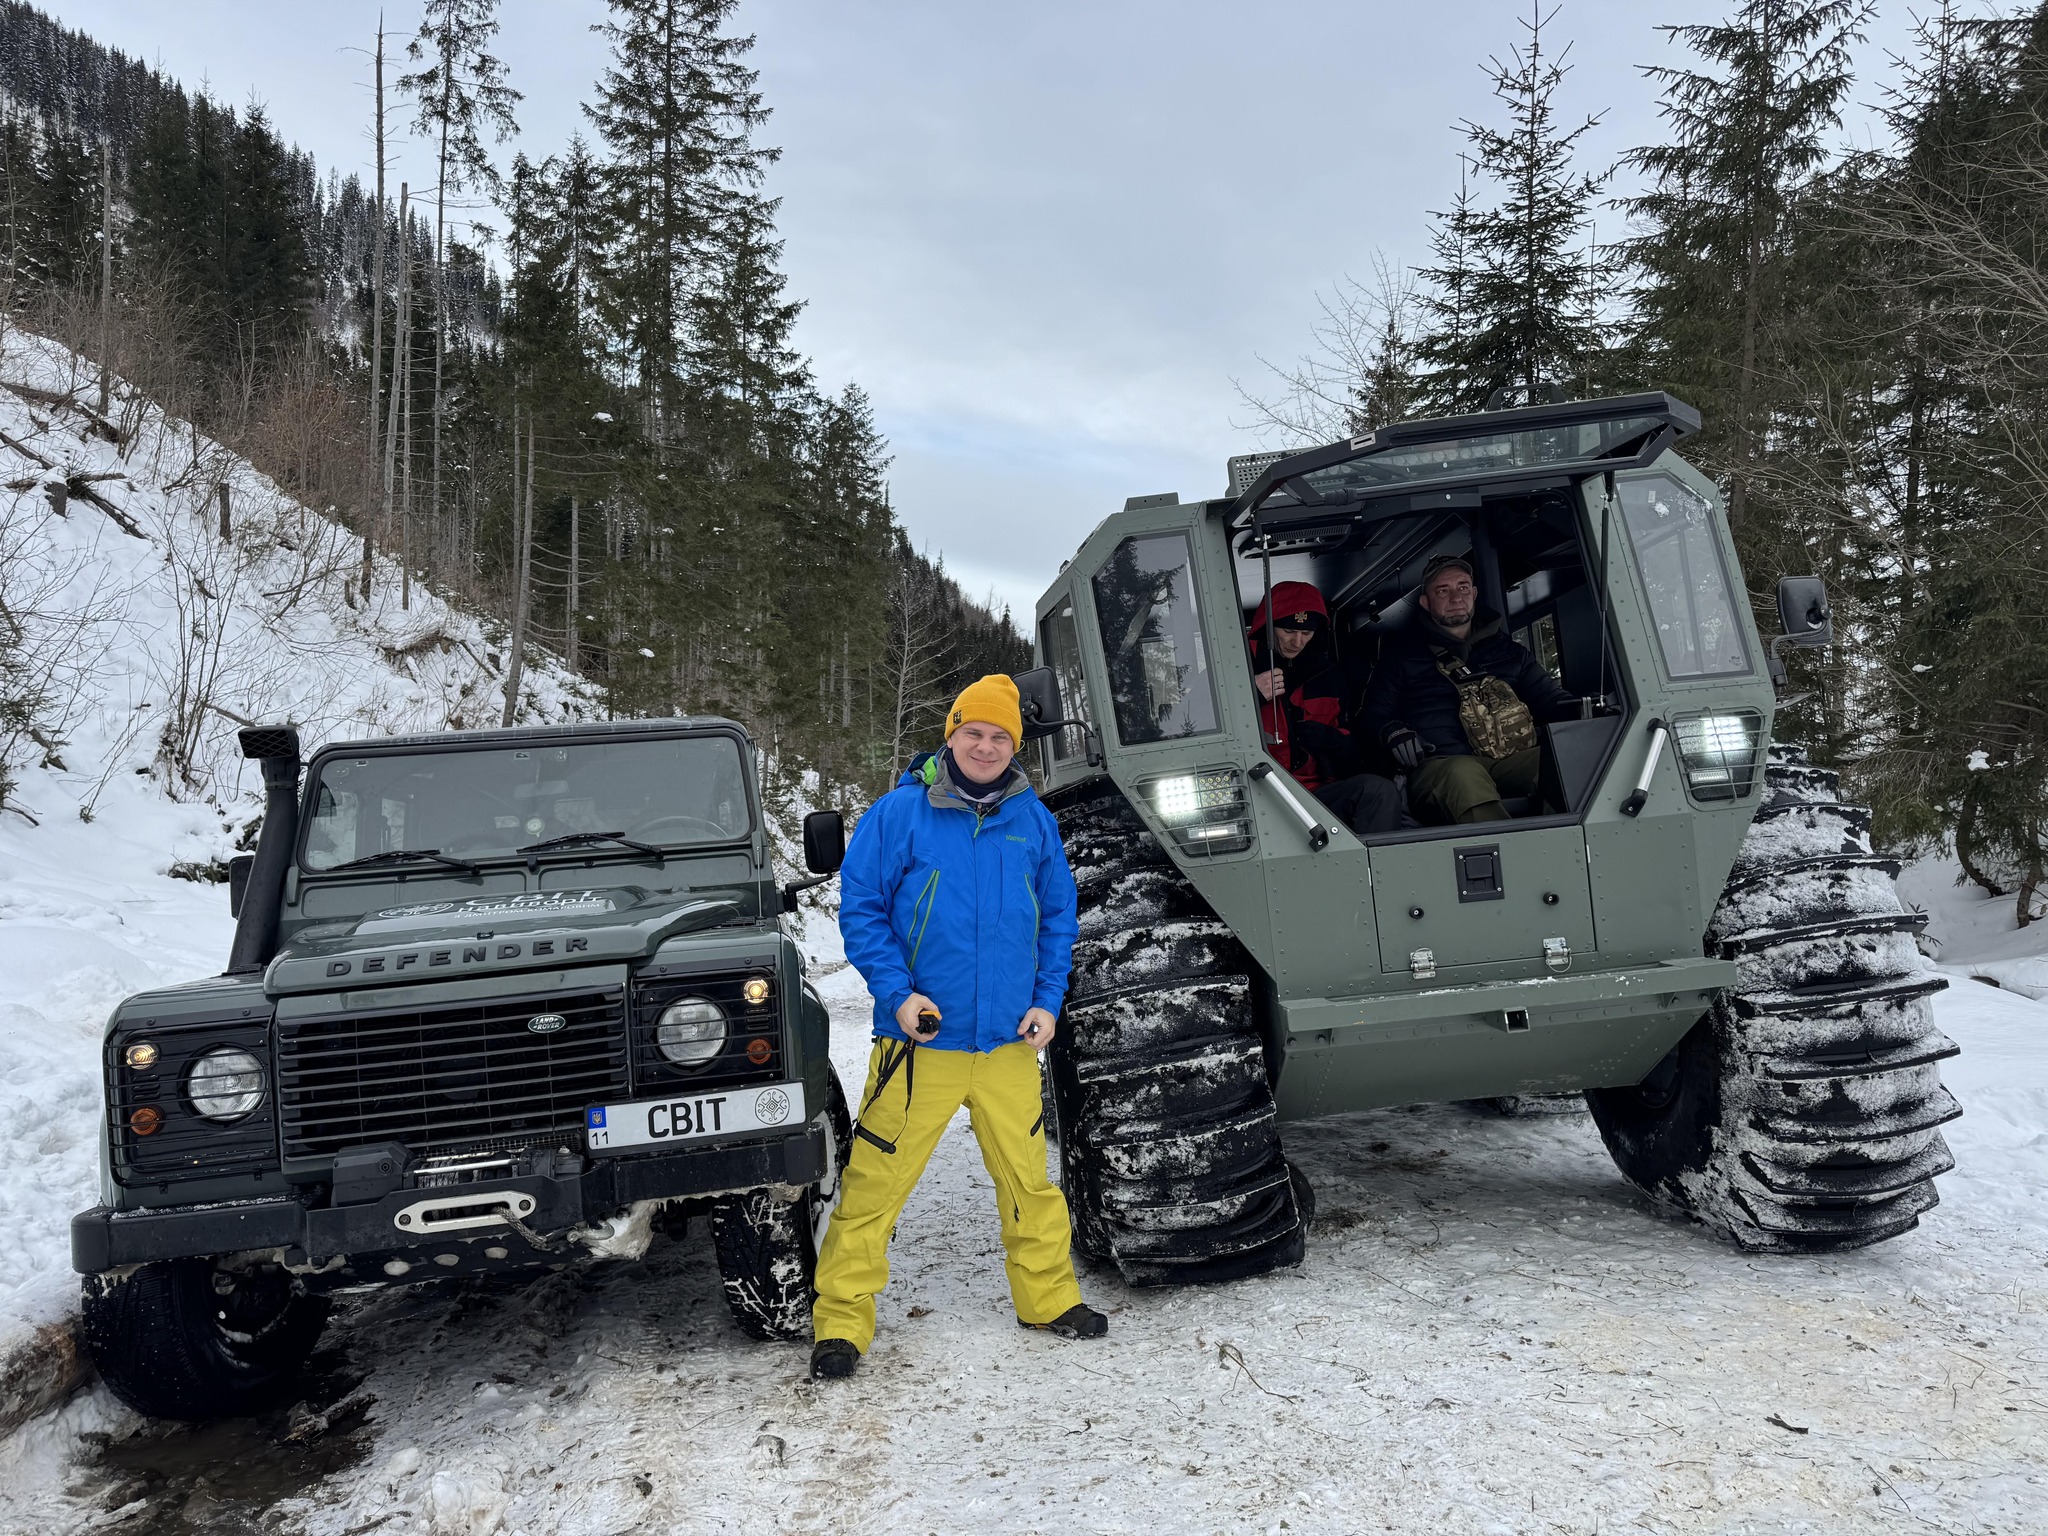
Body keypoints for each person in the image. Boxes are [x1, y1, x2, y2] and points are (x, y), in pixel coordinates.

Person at [809, 674, 1104, 1381]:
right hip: (921, 1042)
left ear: (1014, 747)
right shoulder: (898, 814)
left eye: (1001, 736)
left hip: (1007, 1042)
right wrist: (897, 995)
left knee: (1030, 1185)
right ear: (951, 735)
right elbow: (863, 912)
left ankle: (1049, 1300)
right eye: (974, 732)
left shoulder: (1034, 820)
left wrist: (1047, 1000)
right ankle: (841, 1325)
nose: (985, 746)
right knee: (875, 1187)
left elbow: (1058, 918)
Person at [1360, 555, 1586, 825]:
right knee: (1464, 775)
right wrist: (1393, 732)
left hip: (1510, 759)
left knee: (1563, 764)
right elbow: (1371, 716)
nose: (1456, 597)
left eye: (1463, 587)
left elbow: (1552, 701)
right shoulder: (1400, 658)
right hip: (1442, 764)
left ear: (1474, 593)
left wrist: (1586, 710)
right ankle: (1512, 856)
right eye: (1443, 590)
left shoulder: (1510, 653)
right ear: (1425, 602)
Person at [1247, 580, 1403, 837]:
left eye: (1306, 634)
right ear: (1268, 627)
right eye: (1288, 631)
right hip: (1257, 795)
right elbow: (1194, 724)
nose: (1297, 642)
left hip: (1316, 794)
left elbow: (1356, 750)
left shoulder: (1329, 676)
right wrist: (1250, 694)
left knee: (1379, 791)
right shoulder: (1234, 664)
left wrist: (1331, 740)